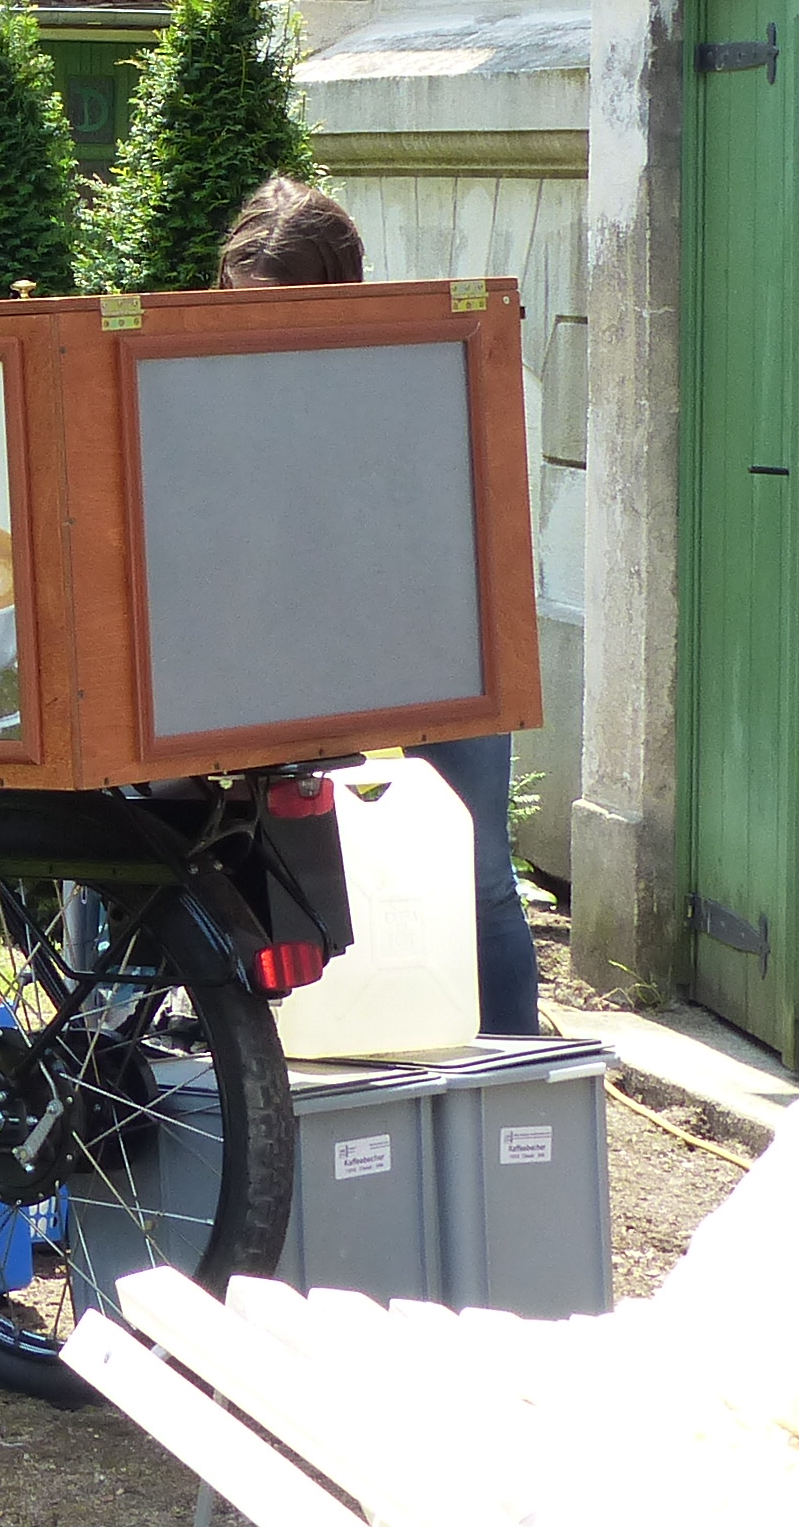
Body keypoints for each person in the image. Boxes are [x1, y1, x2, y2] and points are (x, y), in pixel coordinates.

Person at [214, 175, 546, 1037]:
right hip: (303, 650)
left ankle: (508, 1086)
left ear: (338, 295)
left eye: (281, 310)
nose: (261, 331)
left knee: (475, 877)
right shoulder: (211, 380)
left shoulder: (418, 367)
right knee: (289, 876)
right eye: (243, 307)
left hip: (441, 640)